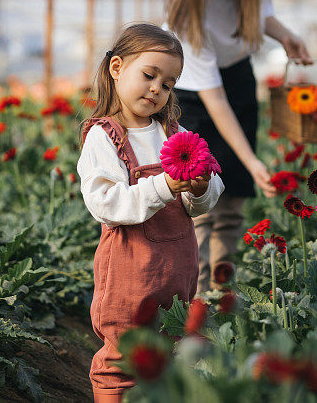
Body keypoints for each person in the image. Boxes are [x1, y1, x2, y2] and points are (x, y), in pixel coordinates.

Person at [165, 0, 311, 293]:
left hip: (238, 77)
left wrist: (285, 35)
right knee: (198, 204)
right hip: (193, 94)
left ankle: (222, 294)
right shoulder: (186, 4)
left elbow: (257, 11)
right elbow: (213, 98)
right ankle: (193, 308)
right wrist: (251, 159)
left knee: (231, 204)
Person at [77, 23, 224, 402]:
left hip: (177, 268)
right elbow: (106, 204)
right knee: (123, 357)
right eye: (149, 75)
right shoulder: (104, 136)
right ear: (116, 69)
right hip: (130, 272)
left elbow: (204, 199)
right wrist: (164, 186)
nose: (157, 88)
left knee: (171, 349)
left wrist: (201, 188)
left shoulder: (173, 133)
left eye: (169, 83)